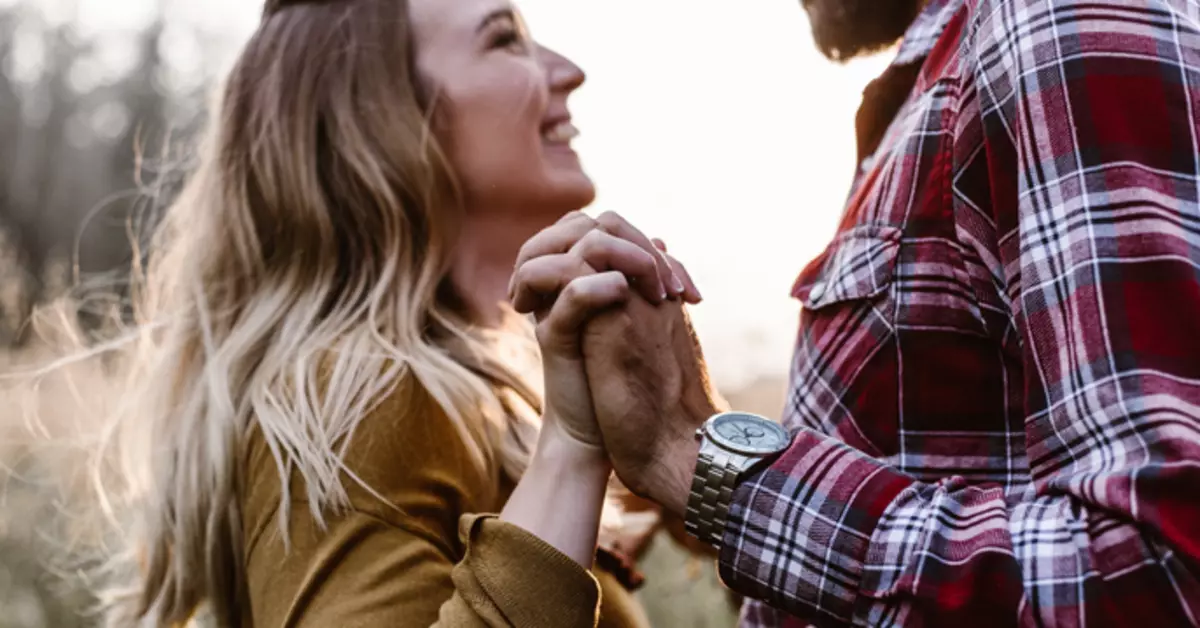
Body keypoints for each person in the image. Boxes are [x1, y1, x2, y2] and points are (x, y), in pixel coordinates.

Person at [510, 0, 1200, 625]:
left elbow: (1158, 576)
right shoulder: (952, 71)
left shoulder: (1051, 24)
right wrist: (700, 440)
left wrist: (689, 455)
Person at [74, 0, 705, 626]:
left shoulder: (473, 393)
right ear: (382, 118)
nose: (568, 70)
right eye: (504, 38)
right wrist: (572, 454)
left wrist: (674, 449)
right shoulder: (354, 394)